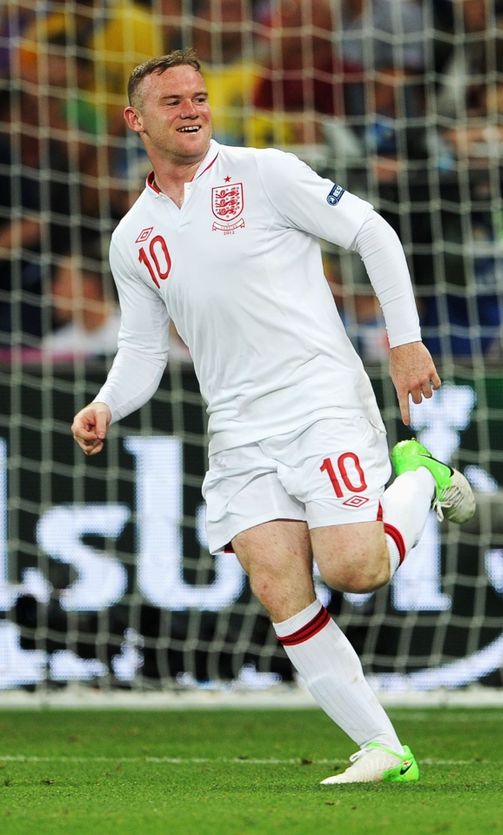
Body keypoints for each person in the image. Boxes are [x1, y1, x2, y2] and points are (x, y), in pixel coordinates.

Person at [71, 48, 475, 785]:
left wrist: (404, 340)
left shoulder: (264, 174)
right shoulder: (134, 238)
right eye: (172, 101)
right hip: (237, 427)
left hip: (319, 400)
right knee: (277, 586)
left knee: (354, 570)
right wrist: (105, 403)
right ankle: (384, 748)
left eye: (198, 97)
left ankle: (421, 474)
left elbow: (373, 232)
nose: (192, 110)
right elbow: (142, 349)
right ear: (135, 120)